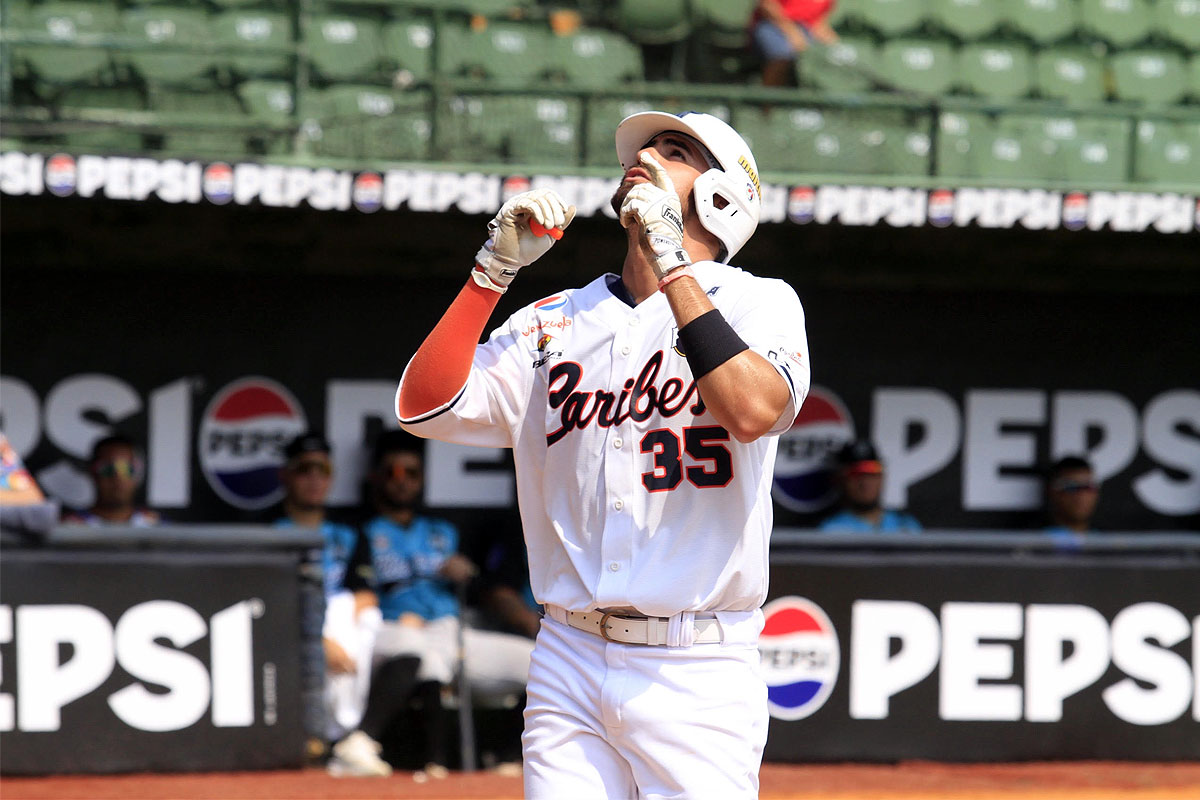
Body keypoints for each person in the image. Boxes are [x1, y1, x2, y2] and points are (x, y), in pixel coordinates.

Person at [395, 110, 810, 798]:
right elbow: (424, 407)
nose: (644, 153)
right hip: (569, 649)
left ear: (723, 196)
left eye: (675, 151)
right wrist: (491, 273)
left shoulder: (758, 302)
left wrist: (672, 258)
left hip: (696, 662)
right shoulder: (554, 317)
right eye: (643, 147)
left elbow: (754, 410)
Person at [334, 430, 534, 780]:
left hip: (451, 631)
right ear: (376, 477)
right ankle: (393, 752)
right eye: (393, 472)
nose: (402, 482)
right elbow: (354, 591)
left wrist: (468, 574)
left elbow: (483, 591)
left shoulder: (442, 532)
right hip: (393, 630)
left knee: (540, 664)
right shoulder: (362, 531)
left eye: (411, 474)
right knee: (422, 653)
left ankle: (504, 755)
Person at [271, 431, 382, 775]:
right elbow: (267, 599)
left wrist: (339, 641)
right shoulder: (269, 531)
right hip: (288, 624)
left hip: (340, 631)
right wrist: (317, 642)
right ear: (285, 475)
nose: (315, 479)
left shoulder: (349, 532)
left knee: (363, 618)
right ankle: (331, 739)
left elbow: (364, 593)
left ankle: (345, 737)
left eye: (323, 469)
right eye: (305, 469)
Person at [819, 439, 922, 534]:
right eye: (855, 474)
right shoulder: (831, 531)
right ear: (840, 480)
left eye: (872, 472)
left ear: (882, 477)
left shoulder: (906, 525)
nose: (865, 482)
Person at [62, 434, 160, 526]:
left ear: (139, 473)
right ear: (91, 472)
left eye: (127, 469)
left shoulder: (156, 525)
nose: (118, 477)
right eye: (108, 469)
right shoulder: (69, 525)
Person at [751, 0, 840, 87]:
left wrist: (829, 39)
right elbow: (767, 5)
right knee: (783, 54)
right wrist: (792, 32)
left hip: (805, 29)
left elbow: (819, 22)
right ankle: (768, 99)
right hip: (771, 24)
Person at [1043, 455, 1100, 550]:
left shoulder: (1105, 542)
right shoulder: (1035, 541)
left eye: (1088, 487)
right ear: (1052, 492)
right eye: (1071, 487)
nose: (1081, 495)